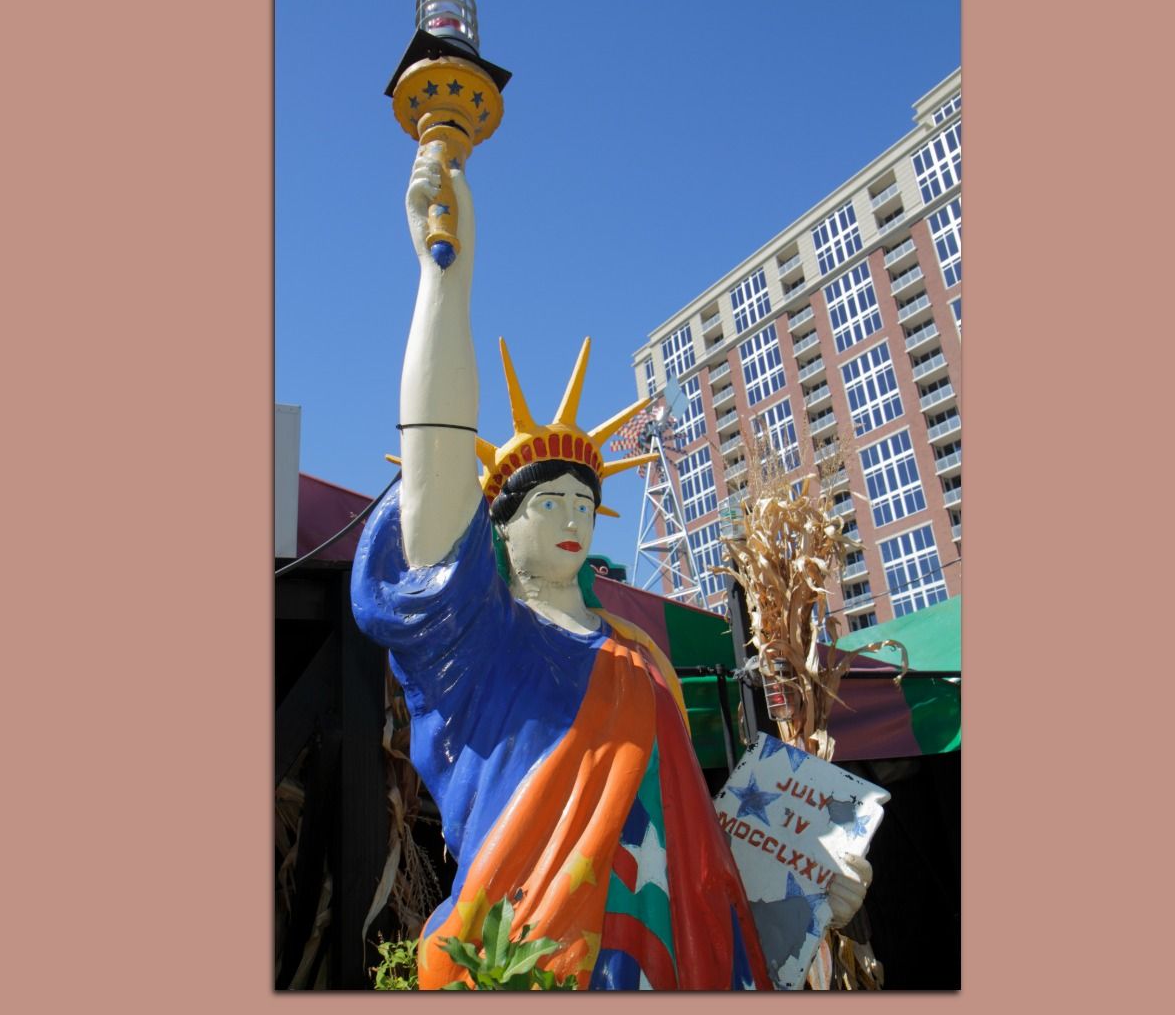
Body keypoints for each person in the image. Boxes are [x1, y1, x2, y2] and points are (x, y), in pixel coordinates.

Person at [351, 141, 869, 990]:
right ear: (499, 528)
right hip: (523, 963)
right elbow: (439, 463)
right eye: (546, 503)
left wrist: (800, 888)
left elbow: (690, 844)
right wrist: (445, 279)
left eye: (584, 506)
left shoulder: (642, 653)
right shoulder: (482, 640)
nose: (570, 519)